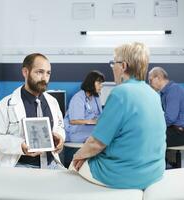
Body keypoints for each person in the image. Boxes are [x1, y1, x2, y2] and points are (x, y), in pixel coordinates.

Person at [70, 42, 166, 189]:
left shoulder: (120, 93)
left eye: (113, 63)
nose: (113, 67)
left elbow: (96, 143)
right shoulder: (153, 94)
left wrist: (77, 156)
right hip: (154, 172)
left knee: (73, 165)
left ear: (123, 66)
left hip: (124, 174)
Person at [0, 53, 65, 169]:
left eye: (48, 73)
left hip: (50, 165)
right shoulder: (5, 105)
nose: (44, 78)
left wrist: (60, 138)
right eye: (39, 72)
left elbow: (60, 127)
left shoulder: (52, 102)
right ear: (25, 72)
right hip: (20, 166)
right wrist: (20, 146)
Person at [148, 67, 184, 147]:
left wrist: (154, 126)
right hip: (173, 130)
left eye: (150, 80)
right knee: (147, 134)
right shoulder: (164, 93)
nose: (150, 84)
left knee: (148, 138)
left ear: (159, 78)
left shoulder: (173, 90)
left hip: (180, 134)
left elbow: (170, 118)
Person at [64, 70, 105, 143]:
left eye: (101, 83)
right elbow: (74, 121)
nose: (101, 85)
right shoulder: (78, 98)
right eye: (99, 83)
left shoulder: (96, 97)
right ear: (91, 83)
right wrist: (92, 122)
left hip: (91, 129)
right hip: (77, 131)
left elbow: (99, 115)